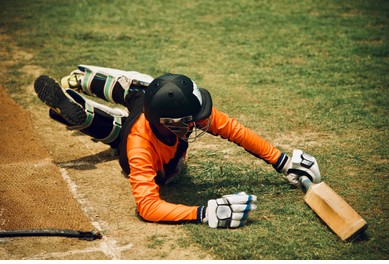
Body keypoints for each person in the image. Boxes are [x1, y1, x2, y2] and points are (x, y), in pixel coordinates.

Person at [33, 65, 321, 229]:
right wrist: (202, 212)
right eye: (191, 119)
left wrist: (282, 161)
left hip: (143, 114)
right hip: (143, 153)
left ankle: (83, 85)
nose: (201, 120)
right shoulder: (140, 148)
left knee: (139, 91)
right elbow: (147, 206)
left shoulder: (172, 114)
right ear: (172, 121)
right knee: (125, 133)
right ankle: (86, 104)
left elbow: (232, 130)